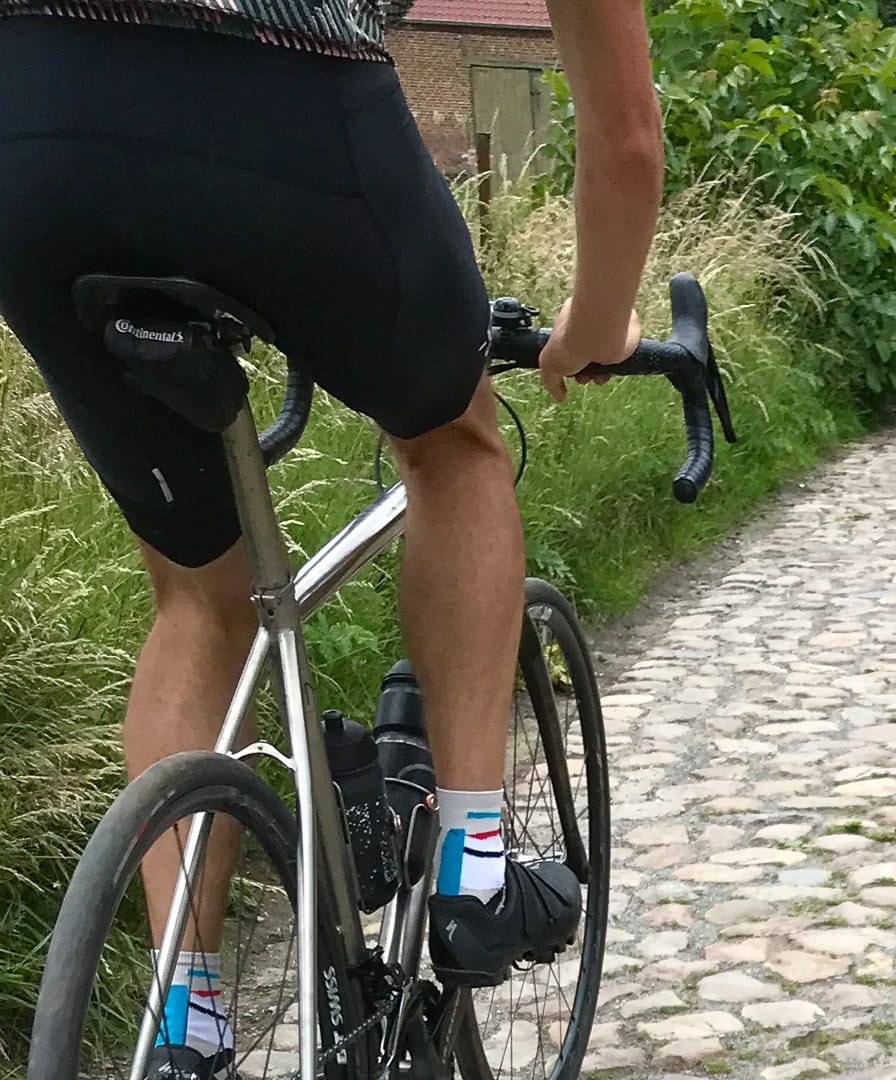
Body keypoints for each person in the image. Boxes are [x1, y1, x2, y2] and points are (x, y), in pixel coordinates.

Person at [0, 0, 664, 1073]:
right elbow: (627, 136)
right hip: (282, 99)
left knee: (196, 597)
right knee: (456, 448)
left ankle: (187, 1018)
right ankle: (478, 869)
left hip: (32, 121)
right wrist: (598, 320)